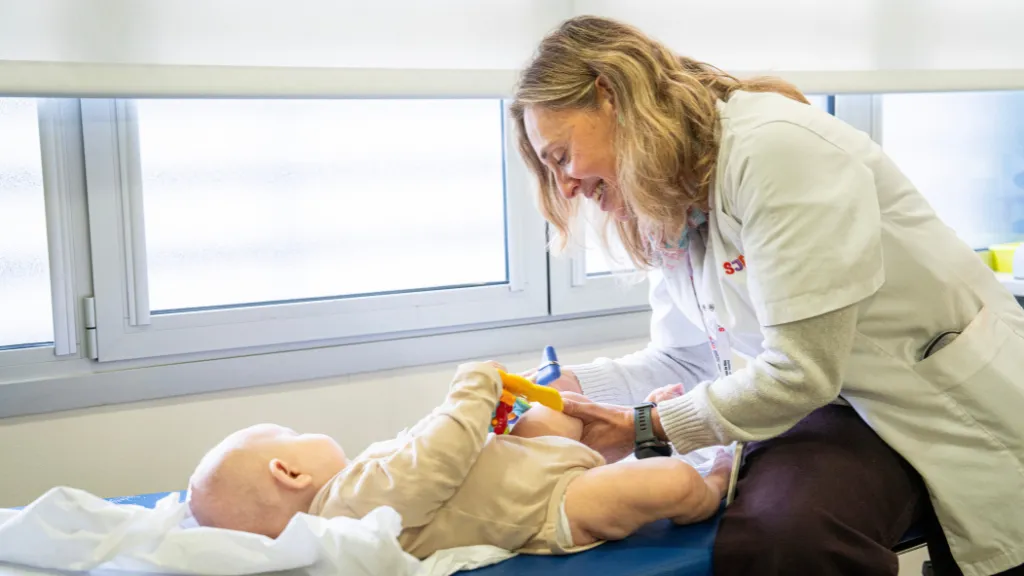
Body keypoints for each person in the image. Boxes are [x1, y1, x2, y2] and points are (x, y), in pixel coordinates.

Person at [510, 14, 1024, 576]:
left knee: (788, 536)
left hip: (929, 398)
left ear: (610, 97)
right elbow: (689, 357)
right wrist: (574, 389)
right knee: (779, 528)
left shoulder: (775, 152)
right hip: (833, 407)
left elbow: (801, 372)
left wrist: (647, 426)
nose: (565, 187)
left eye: (561, 156)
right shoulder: (673, 199)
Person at [187, 361, 733, 559]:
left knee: (550, 413)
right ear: (289, 473)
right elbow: (435, 462)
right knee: (668, 482)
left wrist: (491, 413)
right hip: (551, 506)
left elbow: (438, 448)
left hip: (531, 464)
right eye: (292, 434)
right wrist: (472, 387)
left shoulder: (356, 482)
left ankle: (635, 431)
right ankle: (709, 484)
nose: (306, 432)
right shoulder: (344, 514)